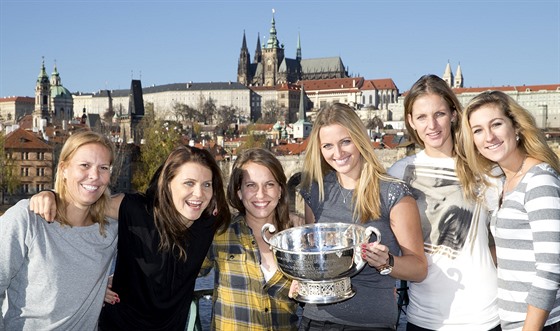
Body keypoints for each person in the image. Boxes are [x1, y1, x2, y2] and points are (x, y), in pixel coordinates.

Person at [29, 144, 231, 330]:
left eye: (206, 185)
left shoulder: (209, 222)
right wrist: (51, 194)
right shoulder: (137, 209)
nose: (199, 194)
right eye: (189, 183)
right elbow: (82, 200)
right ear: (168, 183)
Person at [298, 102, 427, 330]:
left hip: (369, 322)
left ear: (360, 139)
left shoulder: (392, 193)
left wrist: (387, 263)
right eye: (327, 146)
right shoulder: (314, 192)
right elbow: (313, 262)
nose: (337, 153)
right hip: (315, 320)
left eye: (345, 142)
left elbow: (418, 269)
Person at [387, 75, 501, 330]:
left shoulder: (484, 169)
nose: (432, 125)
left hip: (483, 316)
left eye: (439, 114)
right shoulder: (398, 173)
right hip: (423, 316)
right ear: (410, 121)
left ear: (453, 114)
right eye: (422, 117)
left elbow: (506, 238)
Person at [459, 90, 560, 331]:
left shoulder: (539, 181)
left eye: (496, 124)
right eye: (478, 130)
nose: (489, 137)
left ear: (516, 127)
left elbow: (551, 268)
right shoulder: (505, 182)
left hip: (539, 323)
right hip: (513, 321)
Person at [0, 130, 118, 330]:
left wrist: (103, 286)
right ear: (63, 169)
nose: (95, 176)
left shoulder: (110, 231)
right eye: (85, 165)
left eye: (103, 167)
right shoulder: (28, 218)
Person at [199, 148, 299, 330]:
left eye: (269, 184)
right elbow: (180, 271)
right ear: (239, 192)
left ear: (280, 191)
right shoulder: (220, 235)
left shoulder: (297, 238)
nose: (260, 194)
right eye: (251, 185)